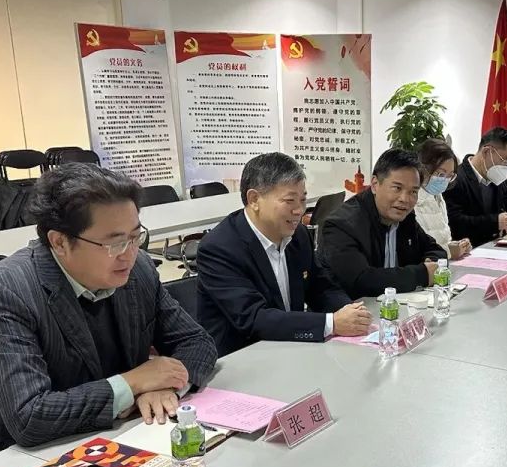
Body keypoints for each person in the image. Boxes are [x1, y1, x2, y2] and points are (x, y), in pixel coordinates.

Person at [0, 164, 218, 459]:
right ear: (59, 242)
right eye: (114, 243)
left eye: (135, 237)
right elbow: (29, 417)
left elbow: (197, 342)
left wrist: (166, 388)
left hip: (126, 435)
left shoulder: (138, 270)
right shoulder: (7, 290)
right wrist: (134, 382)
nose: (129, 253)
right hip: (34, 455)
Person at [197, 153, 371, 356]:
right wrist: (332, 323)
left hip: (291, 348)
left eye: (303, 200)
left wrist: (351, 313)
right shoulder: (219, 248)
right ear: (254, 199)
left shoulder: (298, 235)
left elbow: (321, 286)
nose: (299, 211)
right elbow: (254, 318)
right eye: (290, 201)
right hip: (242, 358)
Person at [317, 148, 446, 299]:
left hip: (395, 305)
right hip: (353, 309)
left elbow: (435, 250)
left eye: (413, 192)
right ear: (375, 184)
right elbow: (361, 280)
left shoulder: (404, 217)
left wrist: (432, 264)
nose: (405, 199)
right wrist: (422, 274)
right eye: (397, 188)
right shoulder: (342, 225)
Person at [443, 128, 507, 247]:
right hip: (468, 249)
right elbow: (454, 222)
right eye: (505, 162)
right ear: (486, 152)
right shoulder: (456, 179)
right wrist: (495, 222)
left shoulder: (496, 178)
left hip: (493, 246)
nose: (506, 168)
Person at [413, 138, 471, 260]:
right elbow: (419, 250)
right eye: (440, 174)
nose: (444, 180)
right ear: (423, 169)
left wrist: (457, 245)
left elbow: (442, 239)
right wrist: (449, 252)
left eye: (450, 176)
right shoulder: (413, 200)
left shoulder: (438, 196)